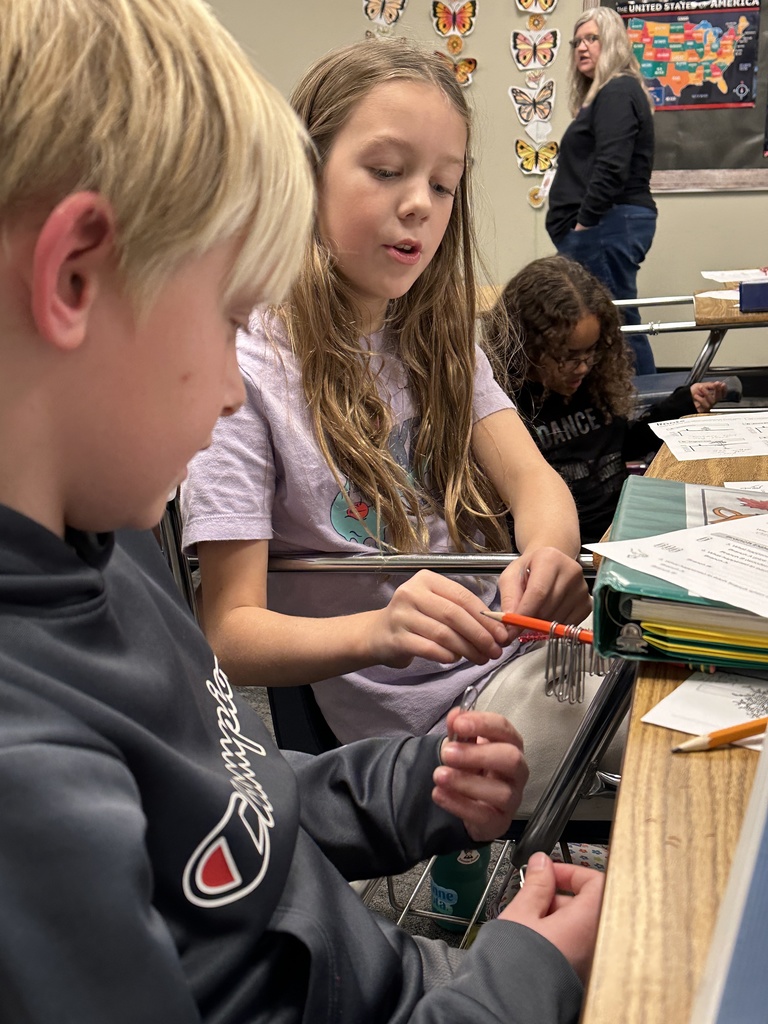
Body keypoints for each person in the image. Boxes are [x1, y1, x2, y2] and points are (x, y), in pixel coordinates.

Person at [0, 1, 607, 1020]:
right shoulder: (33, 783)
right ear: (72, 274)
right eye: (230, 311)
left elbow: (237, 804)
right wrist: (524, 976)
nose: (234, 389)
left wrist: (418, 785)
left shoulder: (109, 557)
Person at [182, 38, 625, 819]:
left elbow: (536, 485)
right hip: (424, 720)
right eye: (386, 171)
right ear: (302, 170)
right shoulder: (243, 365)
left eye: (443, 184)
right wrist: (380, 631)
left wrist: (549, 557)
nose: (420, 202)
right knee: (665, 729)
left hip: (519, 655)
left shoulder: (436, 338)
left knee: (690, 682)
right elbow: (228, 632)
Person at [493, 256, 727, 544]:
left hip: (619, 529)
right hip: (562, 546)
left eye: (590, 352)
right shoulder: (502, 406)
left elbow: (620, 447)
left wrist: (680, 406)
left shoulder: (592, 381)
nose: (582, 367)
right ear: (527, 346)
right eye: (567, 357)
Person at [545, 6, 658, 375]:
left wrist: (583, 226)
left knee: (615, 325)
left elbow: (612, 165)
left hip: (606, 225)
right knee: (616, 320)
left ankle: (643, 415)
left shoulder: (617, 89)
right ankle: (634, 412)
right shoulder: (613, 93)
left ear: (611, 43)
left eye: (592, 38)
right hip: (606, 226)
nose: (581, 47)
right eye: (577, 40)